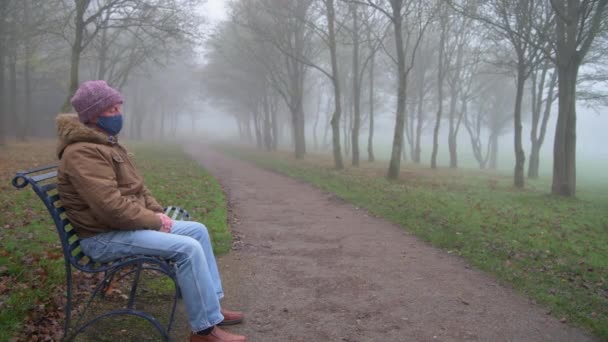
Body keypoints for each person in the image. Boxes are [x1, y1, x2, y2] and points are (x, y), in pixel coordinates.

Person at [56, 80, 247, 342]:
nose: (118, 114)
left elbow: (137, 188)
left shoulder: (105, 144)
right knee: (187, 249)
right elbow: (109, 207)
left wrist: (159, 214)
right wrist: (154, 222)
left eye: (118, 107)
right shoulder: (82, 152)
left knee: (198, 231)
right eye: (111, 110)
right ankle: (204, 331)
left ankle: (211, 308)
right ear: (92, 115)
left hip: (121, 227)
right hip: (102, 238)